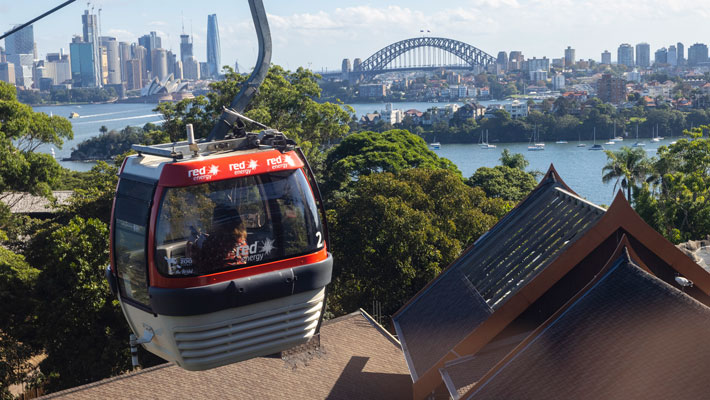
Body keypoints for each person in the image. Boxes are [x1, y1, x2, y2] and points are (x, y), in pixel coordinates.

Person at [192, 204, 249, 273]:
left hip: (216, 279)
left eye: (214, 219)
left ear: (219, 222)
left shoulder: (214, 243)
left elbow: (198, 261)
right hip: (239, 276)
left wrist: (192, 245)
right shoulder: (242, 241)